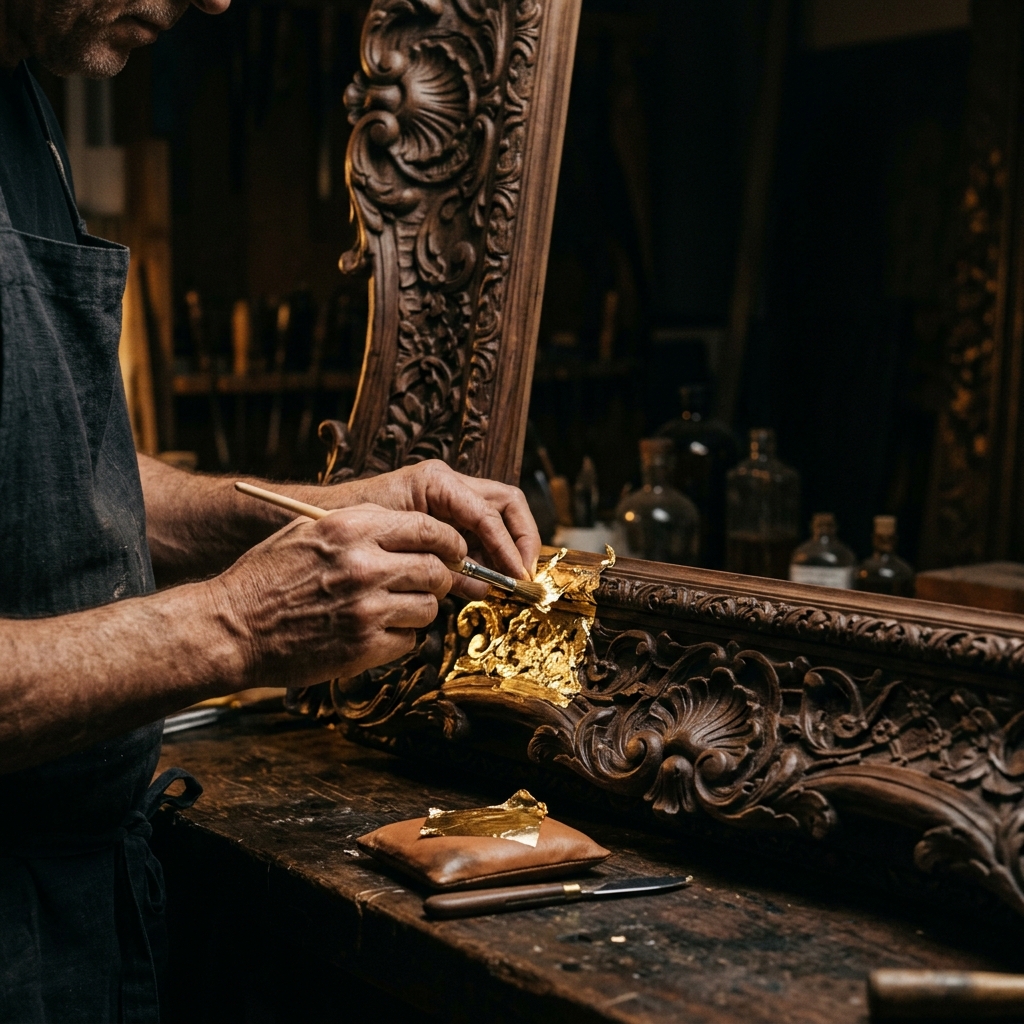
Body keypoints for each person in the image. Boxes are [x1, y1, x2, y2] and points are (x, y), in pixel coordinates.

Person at [0, 0, 541, 1017]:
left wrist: (305, 511)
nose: (215, 2)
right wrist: (236, 624)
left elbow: (55, 472)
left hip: (78, 894)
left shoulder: (22, 90)